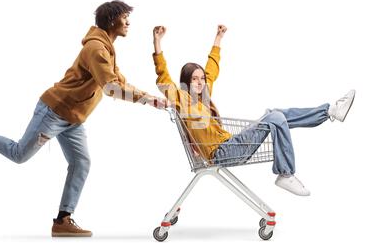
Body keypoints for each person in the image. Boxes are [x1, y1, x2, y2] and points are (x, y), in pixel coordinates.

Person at [0, 0, 166, 237]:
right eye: (125, 17)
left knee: (81, 163)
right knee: (19, 155)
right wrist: (148, 100)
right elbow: (112, 88)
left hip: (73, 119)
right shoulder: (96, 49)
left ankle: (63, 220)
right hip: (54, 112)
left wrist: (150, 98)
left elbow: (120, 82)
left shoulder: (106, 49)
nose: (128, 22)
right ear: (112, 19)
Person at [152, 24, 355, 196]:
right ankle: (286, 173)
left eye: (201, 78)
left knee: (273, 113)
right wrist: (157, 43)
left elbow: (211, 69)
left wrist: (218, 38)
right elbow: (163, 78)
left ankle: (329, 112)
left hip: (230, 144)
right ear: (186, 82)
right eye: (194, 78)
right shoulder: (182, 98)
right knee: (274, 117)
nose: (200, 82)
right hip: (222, 152)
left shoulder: (204, 97)